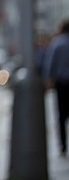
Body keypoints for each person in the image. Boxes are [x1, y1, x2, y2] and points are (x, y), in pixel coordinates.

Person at [43, 18, 69, 155]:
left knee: (61, 115)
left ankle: (63, 145)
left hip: (61, 84)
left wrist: (49, 81)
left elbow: (50, 64)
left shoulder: (57, 43)